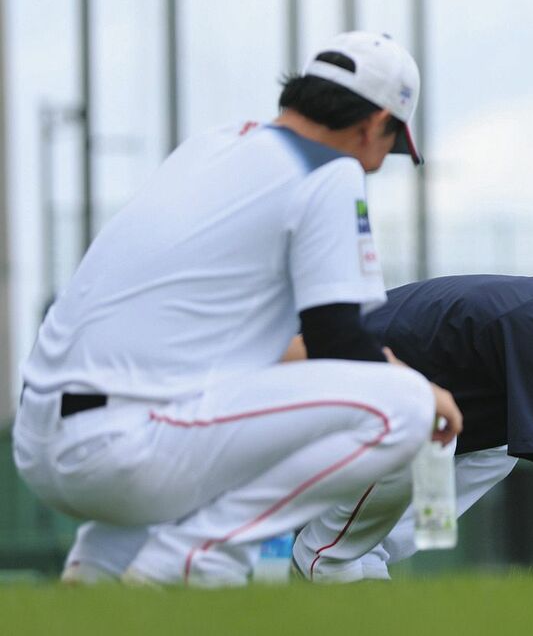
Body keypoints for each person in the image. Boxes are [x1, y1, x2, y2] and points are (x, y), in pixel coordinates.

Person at [12, 31, 461, 587]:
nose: (376, 165)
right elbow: (337, 342)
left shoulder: (209, 146)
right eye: (389, 146)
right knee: (405, 409)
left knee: (237, 395)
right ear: (372, 125)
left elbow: (269, 347)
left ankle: (104, 565)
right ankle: (195, 558)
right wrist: (421, 387)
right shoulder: (331, 170)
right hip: (125, 449)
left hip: (39, 441)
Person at [286, 209, 533, 579]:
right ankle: (325, 555)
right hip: (300, 395)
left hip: (357, 422)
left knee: (498, 447)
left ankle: (367, 552)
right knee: (424, 420)